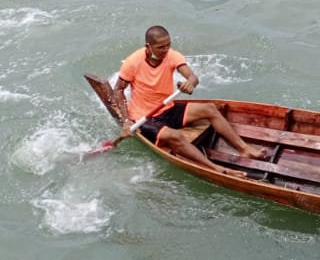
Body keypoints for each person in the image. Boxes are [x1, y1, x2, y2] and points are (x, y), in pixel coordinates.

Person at [111, 25, 268, 177]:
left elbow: (193, 77)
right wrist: (126, 120)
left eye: (168, 45)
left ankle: (243, 148)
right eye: (160, 47)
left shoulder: (171, 55)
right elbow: (118, 90)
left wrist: (189, 84)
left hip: (168, 107)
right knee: (176, 137)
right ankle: (216, 169)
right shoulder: (133, 62)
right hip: (144, 118)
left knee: (210, 109)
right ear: (148, 46)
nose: (165, 50)